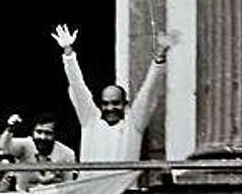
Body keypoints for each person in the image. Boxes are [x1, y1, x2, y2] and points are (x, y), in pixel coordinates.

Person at [51, 24, 170, 162]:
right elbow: (78, 87)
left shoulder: (133, 124)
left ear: (125, 104)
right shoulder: (90, 121)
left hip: (125, 184)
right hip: (91, 183)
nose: (110, 108)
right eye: (105, 103)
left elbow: (149, 91)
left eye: (115, 103)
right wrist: (68, 53)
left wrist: (159, 57)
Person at [0, 113, 79, 192]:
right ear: (33, 132)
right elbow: (4, 148)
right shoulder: (24, 145)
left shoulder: (67, 154)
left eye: (48, 133)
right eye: (39, 132)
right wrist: (10, 128)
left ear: (55, 135)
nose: (42, 137)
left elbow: (68, 185)